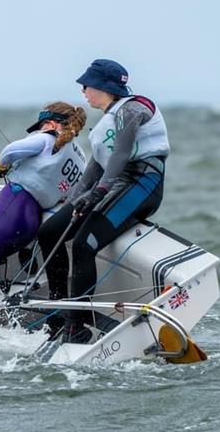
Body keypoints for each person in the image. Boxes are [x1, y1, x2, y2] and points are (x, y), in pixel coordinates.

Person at [36, 59, 170, 342]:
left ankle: (78, 325)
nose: (83, 91)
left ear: (102, 87)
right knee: (50, 232)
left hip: (142, 183)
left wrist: (99, 192)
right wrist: (72, 202)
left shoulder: (135, 107)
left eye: (86, 85)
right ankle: (58, 310)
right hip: (113, 185)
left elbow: (121, 154)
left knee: (86, 244)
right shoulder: (102, 128)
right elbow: (93, 171)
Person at [0, 102, 87, 321]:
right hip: (30, 224)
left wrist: (2, 165)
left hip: (12, 209)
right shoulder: (79, 157)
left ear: (51, 123)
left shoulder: (46, 138)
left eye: (42, 125)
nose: (40, 129)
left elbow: (11, 151)